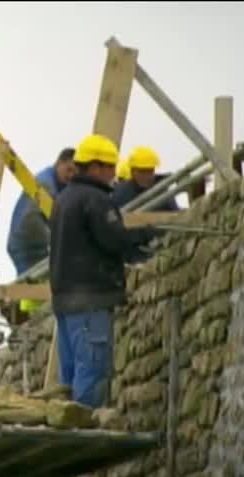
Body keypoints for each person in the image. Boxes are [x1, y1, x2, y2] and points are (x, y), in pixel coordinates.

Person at [48, 134, 158, 408]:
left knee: (70, 379)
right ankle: (83, 434)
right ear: (95, 167)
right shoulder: (95, 200)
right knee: (92, 372)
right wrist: (145, 235)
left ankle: (69, 432)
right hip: (90, 301)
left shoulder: (63, 200)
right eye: (109, 167)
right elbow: (113, 239)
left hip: (64, 302)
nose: (113, 174)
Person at [6, 147, 76, 277]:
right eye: (69, 170)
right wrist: (55, 239)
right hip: (26, 244)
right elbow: (31, 219)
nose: (70, 175)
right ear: (59, 163)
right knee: (32, 284)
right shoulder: (46, 184)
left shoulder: (57, 183)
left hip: (31, 244)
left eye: (74, 173)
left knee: (36, 283)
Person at [111, 145, 179, 211]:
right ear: (132, 171)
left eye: (150, 170)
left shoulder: (161, 190)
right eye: (143, 171)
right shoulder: (121, 193)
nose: (148, 175)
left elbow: (177, 215)